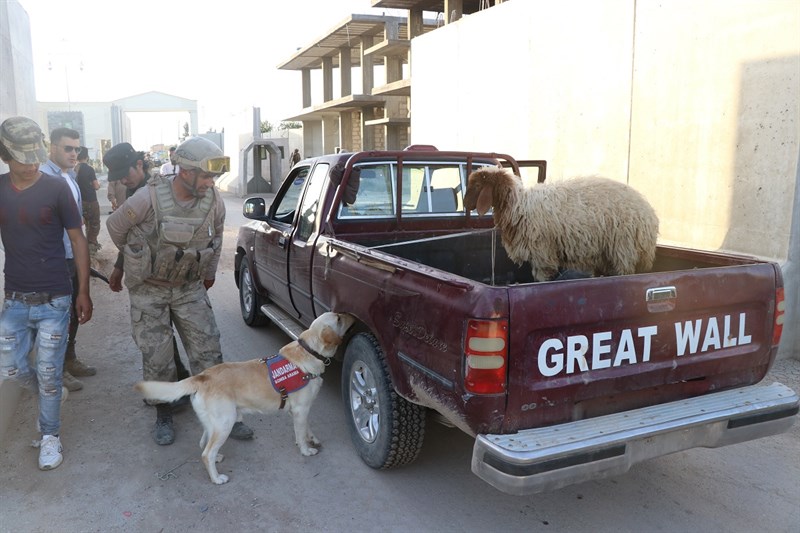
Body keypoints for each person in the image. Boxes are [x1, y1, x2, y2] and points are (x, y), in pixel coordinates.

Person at [106, 137, 253, 445]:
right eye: (206, 175)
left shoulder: (214, 200)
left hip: (189, 288)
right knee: (158, 358)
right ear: (186, 172)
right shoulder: (148, 198)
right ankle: (164, 413)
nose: (211, 182)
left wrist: (209, 274)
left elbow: (215, 242)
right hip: (149, 290)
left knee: (208, 351)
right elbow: (116, 228)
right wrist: (140, 255)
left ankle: (222, 413)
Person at [0, 116, 93, 470]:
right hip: (14, 299)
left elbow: (78, 240)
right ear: (6, 154)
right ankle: (51, 396)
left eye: (34, 154)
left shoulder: (56, 188)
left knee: (50, 371)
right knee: (10, 370)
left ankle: (50, 434)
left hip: (56, 296)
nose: (31, 162)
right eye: (22, 156)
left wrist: (83, 290)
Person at [103, 142, 190, 385]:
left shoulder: (163, 189)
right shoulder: (132, 192)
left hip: (171, 273)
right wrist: (121, 266)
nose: (122, 181)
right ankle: (177, 376)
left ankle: (183, 377)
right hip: (145, 276)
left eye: (125, 174)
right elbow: (129, 237)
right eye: (117, 177)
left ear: (139, 164)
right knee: (156, 334)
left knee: (173, 330)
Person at [41, 127, 95, 392]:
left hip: (72, 255)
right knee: (58, 317)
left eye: (77, 149)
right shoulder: (43, 178)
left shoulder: (69, 177)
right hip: (55, 259)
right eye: (68, 148)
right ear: (52, 147)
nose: (74, 154)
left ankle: (70, 359)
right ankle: (58, 370)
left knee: (75, 311)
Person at [75, 147, 101, 254]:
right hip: (91, 200)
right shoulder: (89, 169)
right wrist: (98, 185)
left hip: (80, 202)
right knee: (94, 224)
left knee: (85, 224)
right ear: (87, 157)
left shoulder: (74, 169)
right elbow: (95, 186)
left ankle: (85, 246)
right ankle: (91, 247)